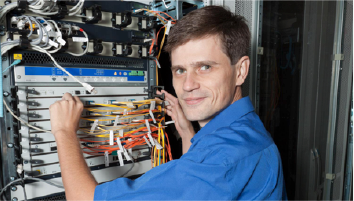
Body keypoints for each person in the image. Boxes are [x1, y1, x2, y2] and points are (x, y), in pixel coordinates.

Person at [49, 6, 287, 201]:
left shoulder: (223, 159)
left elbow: (83, 198)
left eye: (205, 67)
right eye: (180, 70)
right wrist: (187, 133)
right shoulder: (244, 130)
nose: (187, 85)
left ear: (241, 70)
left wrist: (64, 131)